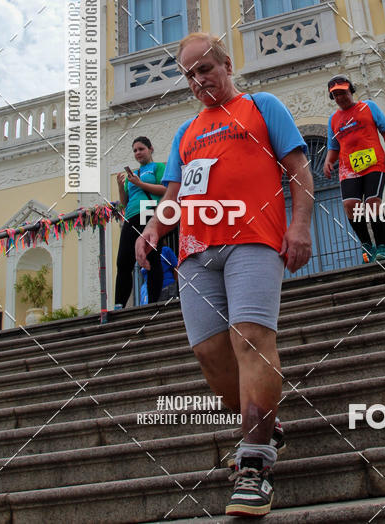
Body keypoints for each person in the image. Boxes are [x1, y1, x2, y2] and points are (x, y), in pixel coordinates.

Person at [136, 32, 313, 518]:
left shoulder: (263, 106)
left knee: (251, 340)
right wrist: (152, 229)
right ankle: (264, 426)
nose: (198, 81)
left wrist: (299, 226)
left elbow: (298, 170)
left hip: (253, 240)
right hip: (194, 253)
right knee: (209, 353)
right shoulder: (187, 132)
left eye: (205, 69)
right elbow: (172, 195)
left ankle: (254, 463)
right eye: (189, 75)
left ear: (226, 64)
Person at [323, 75, 385, 263]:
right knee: (350, 205)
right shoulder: (333, 120)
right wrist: (328, 161)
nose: (340, 97)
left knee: (372, 202)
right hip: (349, 168)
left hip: (375, 163)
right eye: (336, 94)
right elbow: (334, 146)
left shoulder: (368, 107)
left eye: (343, 92)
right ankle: (367, 245)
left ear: (351, 91)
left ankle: (381, 247)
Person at [115, 137, 166, 308]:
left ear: (150, 149)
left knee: (151, 257)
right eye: (135, 150)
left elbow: (166, 189)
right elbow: (124, 202)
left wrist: (141, 183)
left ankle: (152, 303)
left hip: (149, 211)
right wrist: (121, 187)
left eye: (141, 149)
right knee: (123, 261)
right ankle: (119, 304)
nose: (138, 153)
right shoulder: (133, 175)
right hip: (131, 215)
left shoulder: (158, 167)